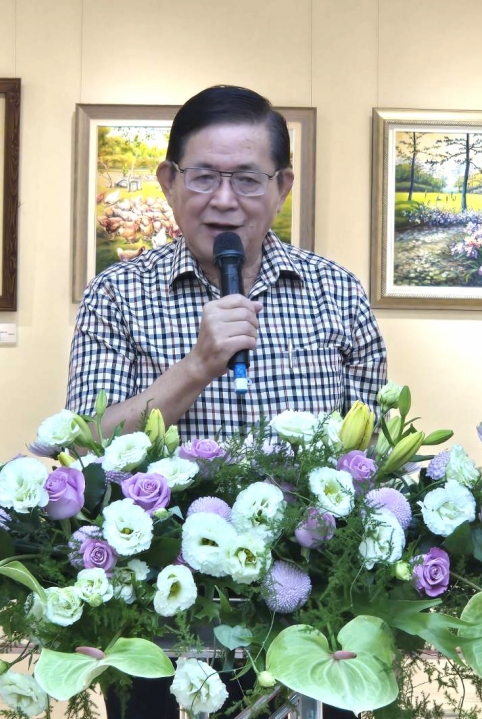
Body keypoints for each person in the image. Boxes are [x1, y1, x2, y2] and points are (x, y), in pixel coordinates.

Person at [66, 85, 386, 719]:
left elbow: (368, 451)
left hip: (310, 594)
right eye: (204, 177)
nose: (223, 200)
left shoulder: (337, 293)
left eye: (246, 179)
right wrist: (198, 367)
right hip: (160, 598)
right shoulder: (117, 295)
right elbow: (87, 443)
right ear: (169, 181)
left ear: (282, 186)